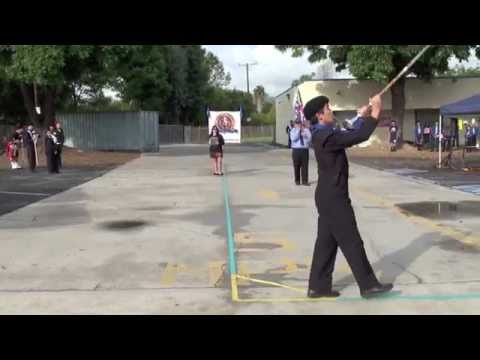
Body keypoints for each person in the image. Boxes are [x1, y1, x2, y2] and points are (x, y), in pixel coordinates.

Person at [304, 94, 393, 299]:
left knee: (326, 243)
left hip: (329, 195)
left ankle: (318, 286)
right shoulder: (324, 136)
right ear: (319, 115)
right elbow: (356, 137)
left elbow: (347, 130)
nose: (331, 111)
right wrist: (376, 111)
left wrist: (362, 116)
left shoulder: (324, 132)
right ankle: (368, 285)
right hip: (333, 198)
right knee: (352, 240)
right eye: (327, 108)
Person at [289, 119, 311, 186]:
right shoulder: (293, 130)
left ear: (301, 124)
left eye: (299, 123)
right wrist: (298, 131)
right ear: (295, 124)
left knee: (305, 166)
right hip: (296, 150)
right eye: (297, 123)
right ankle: (297, 180)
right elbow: (293, 139)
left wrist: (304, 135)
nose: (298, 125)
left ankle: (305, 181)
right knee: (296, 166)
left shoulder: (306, 130)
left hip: (304, 150)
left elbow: (310, 138)